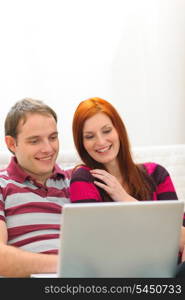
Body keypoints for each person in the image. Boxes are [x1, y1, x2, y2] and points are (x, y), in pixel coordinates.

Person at [70, 97, 185, 268]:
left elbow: (181, 238)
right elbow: (95, 246)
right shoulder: (84, 179)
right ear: (82, 143)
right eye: (89, 136)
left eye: (107, 131)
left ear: (119, 131)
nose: (101, 142)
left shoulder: (157, 174)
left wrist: (125, 199)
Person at [0, 98, 71, 277]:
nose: (48, 148)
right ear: (11, 144)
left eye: (53, 138)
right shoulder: (2, 184)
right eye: (34, 141)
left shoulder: (75, 181)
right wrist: (70, 263)